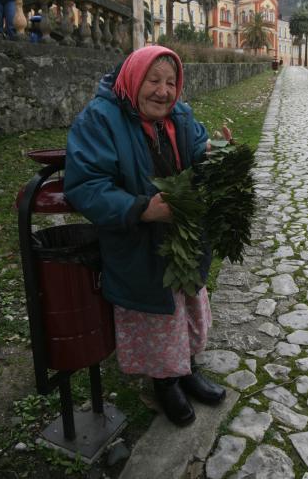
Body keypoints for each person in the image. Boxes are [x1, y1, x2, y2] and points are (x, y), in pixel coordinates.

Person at [64, 45, 227, 427]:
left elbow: (197, 152)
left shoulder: (181, 117)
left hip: (182, 240)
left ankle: (186, 369)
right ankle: (164, 381)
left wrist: (215, 151)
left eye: (171, 83)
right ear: (134, 79)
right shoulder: (100, 119)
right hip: (138, 244)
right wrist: (140, 209)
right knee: (155, 318)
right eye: (153, 81)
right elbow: (86, 185)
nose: (163, 91)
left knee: (185, 305)